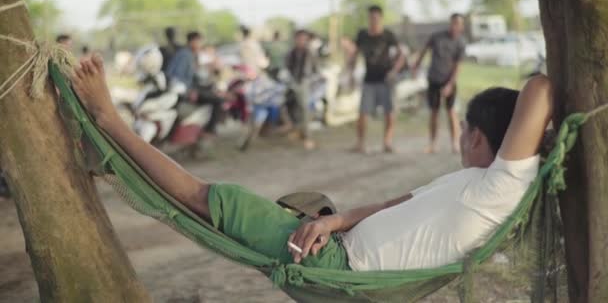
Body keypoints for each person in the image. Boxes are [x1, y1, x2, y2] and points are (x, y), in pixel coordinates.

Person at [72, 54, 552, 272]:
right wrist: (337, 221)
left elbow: (540, 88)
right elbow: (393, 201)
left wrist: (548, 131)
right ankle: (111, 135)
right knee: (229, 203)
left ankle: (109, 121)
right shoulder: (474, 181)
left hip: (336, 267)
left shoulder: (502, 184)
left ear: (475, 136)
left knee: (208, 198)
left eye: (465, 134)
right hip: (334, 242)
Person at [349, 5, 407, 154]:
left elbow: (402, 54)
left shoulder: (388, 35)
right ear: (368, 19)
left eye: (376, 17)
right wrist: (351, 73)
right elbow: (354, 55)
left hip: (385, 79)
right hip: (369, 79)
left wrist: (394, 71)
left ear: (380, 18)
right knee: (363, 112)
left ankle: (387, 142)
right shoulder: (362, 35)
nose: (373, 20)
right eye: (371, 17)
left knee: (389, 112)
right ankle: (360, 143)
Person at [412, 13, 467, 154]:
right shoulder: (437, 37)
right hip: (434, 79)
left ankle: (455, 143)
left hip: (449, 80)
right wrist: (416, 65)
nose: (455, 26)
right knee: (434, 112)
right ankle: (432, 143)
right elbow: (424, 51)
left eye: (458, 24)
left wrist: (449, 85)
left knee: (451, 112)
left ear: (461, 26)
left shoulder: (460, 43)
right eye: (453, 23)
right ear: (450, 23)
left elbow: (458, 67)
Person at [166, 31, 222, 135]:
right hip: (183, 90)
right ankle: (209, 130)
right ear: (192, 41)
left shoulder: (190, 54)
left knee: (215, 93)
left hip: (188, 87)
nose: (200, 45)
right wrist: (191, 90)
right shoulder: (185, 55)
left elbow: (194, 76)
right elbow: (178, 77)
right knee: (217, 100)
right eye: (199, 42)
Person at [285, 29, 318, 150]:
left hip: (304, 82)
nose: (301, 41)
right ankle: (297, 130)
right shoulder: (291, 53)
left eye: (304, 39)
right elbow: (287, 67)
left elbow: (315, 69)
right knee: (290, 106)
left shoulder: (310, 53)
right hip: (292, 81)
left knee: (304, 108)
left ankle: (308, 137)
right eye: (299, 38)